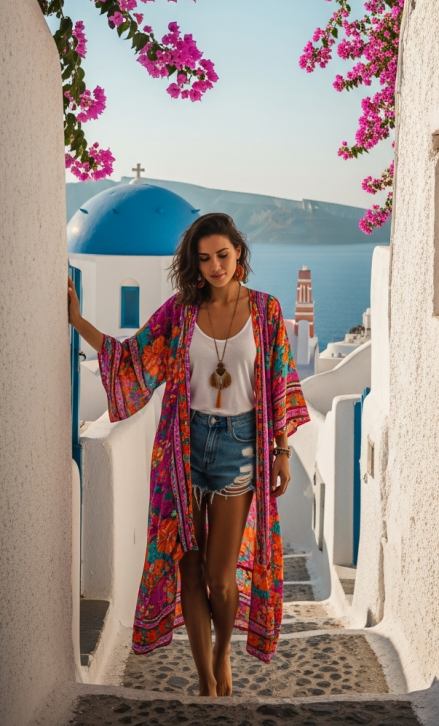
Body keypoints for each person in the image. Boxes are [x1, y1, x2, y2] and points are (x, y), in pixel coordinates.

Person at [67, 212, 309, 697]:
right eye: (204, 259)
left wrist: (282, 450)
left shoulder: (265, 311)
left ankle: (222, 655)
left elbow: (282, 384)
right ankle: (205, 680)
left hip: (240, 448)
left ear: (239, 254)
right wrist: (77, 321)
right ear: (193, 265)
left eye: (222, 254)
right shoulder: (180, 312)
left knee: (220, 578)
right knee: (190, 567)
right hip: (182, 446)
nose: (215, 266)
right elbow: (132, 358)